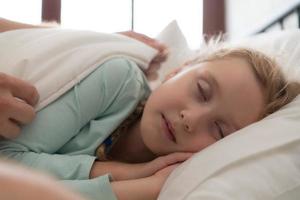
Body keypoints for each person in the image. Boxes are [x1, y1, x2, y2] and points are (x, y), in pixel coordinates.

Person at [1, 19, 300, 200]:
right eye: (201, 91)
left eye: (219, 130)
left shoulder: (180, 182)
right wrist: (132, 181)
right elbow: (8, 164)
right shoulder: (118, 79)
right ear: (178, 71)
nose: (190, 119)